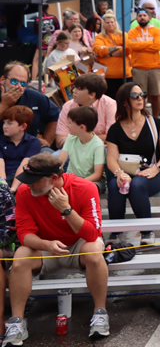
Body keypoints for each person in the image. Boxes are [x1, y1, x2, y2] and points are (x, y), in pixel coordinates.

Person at [5, 154, 110, 344]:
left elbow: (93, 234)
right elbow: (24, 234)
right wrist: (47, 244)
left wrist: (66, 210)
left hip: (78, 244)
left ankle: (100, 312)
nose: (29, 185)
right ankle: (17, 322)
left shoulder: (85, 187)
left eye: (33, 181)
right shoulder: (24, 192)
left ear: (53, 178)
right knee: (20, 256)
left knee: (94, 251)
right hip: (44, 246)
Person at [105, 82, 160, 244]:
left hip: (152, 173)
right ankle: (116, 232)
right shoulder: (115, 129)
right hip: (125, 172)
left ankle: (147, 231)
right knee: (115, 185)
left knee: (137, 184)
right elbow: (111, 159)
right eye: (135, 96)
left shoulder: (154, 124)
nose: (140, 98)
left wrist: (156, 169)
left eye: (142, 94)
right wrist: (119, 173)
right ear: (124, 101)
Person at [0, 62, 59, 148]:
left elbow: (56, 116)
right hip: (2, 148)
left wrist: (47, 141)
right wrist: (4, 104)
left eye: (23, 83)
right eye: (14, 81)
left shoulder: (34, 96)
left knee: (53, 158)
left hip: (29, 147)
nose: (18, 86)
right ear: (2, 80)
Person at [54, 72, 116, 147]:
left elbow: (111, 137)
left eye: (79, 89)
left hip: (99, 148)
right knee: (54, 156)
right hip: (72, 149)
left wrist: (79, 140)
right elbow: (60, 140)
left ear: (92, 95)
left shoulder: (110, 105)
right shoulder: (68, 106)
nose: (74, 91)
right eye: (74, 87)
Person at [128, 7, 160, 120]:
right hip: (138, 68)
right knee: (140, 95)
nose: (142, 18)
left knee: (156, 94)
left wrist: (140, 45)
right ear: (137, 18)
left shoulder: (156, 30)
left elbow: (157, 46)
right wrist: (149, 43)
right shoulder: (132, 32)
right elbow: (131, 45)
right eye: (140, 16)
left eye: (144, 16)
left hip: (155, 67)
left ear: (149, 17)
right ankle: (142, 118)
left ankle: (156, 118)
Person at [58, 105, 105, 185]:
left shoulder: (98, 145)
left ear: (82, 127)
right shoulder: (71, 138)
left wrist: (77, 183)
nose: (67, 125)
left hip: (90, 181)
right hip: (71, 178)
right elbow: (60, 162)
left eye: (70, 123)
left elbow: (97, 175)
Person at [1, 106, 42, 188]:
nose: (5, 126)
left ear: (23, 127)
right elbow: (0, 164)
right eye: (4, 123)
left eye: (9, 123)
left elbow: (25, 165)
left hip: (23, 177)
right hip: (4, 176)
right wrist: (3, 184)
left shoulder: (33, 142)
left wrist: (14, 188)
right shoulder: (1, 140)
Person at [94, 12, 131, 99]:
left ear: (115, 23)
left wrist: (108, 53)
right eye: (107, 22)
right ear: (103, 24)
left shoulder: (123, 35)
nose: (110, 24)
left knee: (125, 100)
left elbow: (128, 49)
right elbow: (98, 50)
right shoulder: (99, 37)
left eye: (112, 22)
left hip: (125, 74)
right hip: (108, 76)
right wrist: (118, 48)